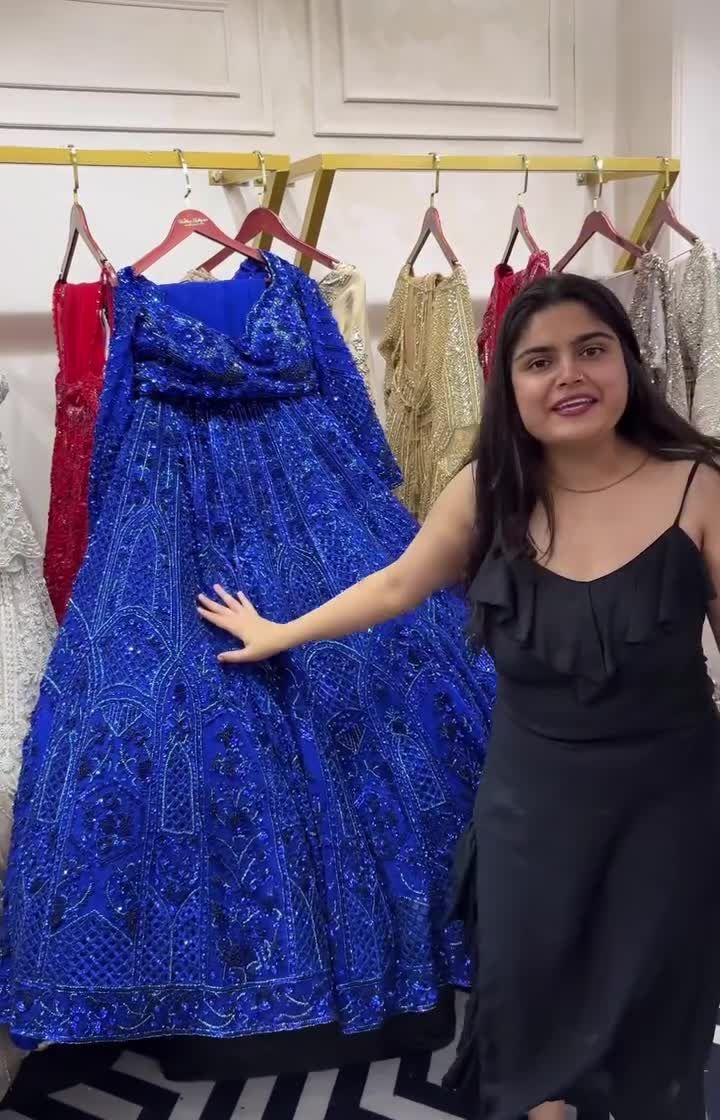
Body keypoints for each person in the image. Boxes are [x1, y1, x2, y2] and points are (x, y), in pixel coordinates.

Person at [198, 273, 720, 1120]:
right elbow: (397, 585)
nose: (568, 376)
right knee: (532, 990)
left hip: (671, 800)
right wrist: (280, 632)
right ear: (508, 384)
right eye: (538, 361)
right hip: (533, 800)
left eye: (591, 350)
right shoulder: (489, 490)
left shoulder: (700, 487)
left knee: (655, 997)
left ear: (628, 360)